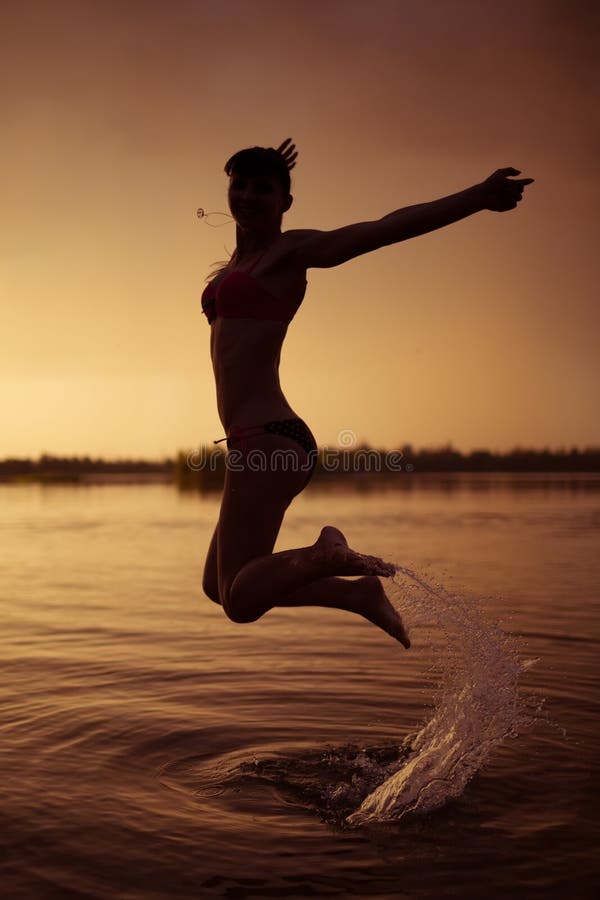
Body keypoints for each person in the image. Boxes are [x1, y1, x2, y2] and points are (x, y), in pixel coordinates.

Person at [200, 138, 534, 647]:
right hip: (253, 440)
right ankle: (357, 595)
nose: (246, 196)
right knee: (217, 587)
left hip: (269, 439)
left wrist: (479, 196)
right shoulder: (235, 269)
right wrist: (274, 162)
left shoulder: (290, 254)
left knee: (241, 602)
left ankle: (324, 554)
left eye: (263, 189)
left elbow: (384, 228)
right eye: (239, 185)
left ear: (285, 202)